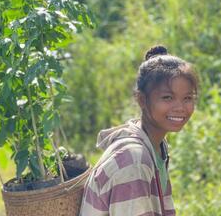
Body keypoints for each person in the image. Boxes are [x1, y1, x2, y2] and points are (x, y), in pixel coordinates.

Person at [79, 45, 199, 216]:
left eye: (187, 98)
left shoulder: (155, 145)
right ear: (142, 99)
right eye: (167, 97)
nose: (180, 107)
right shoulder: (133, 161)